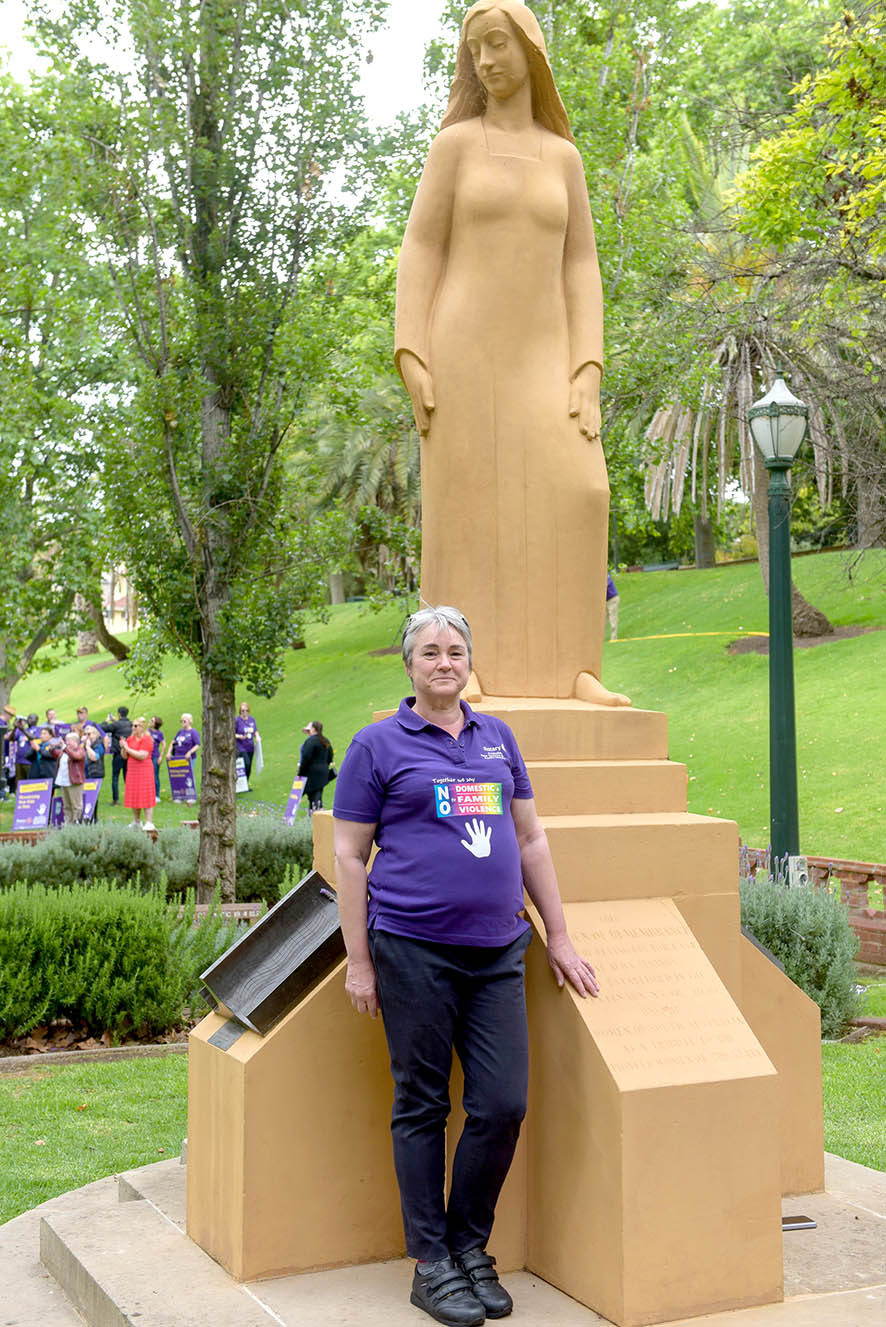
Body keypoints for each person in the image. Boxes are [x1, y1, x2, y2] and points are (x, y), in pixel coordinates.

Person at [333, 606, 598, 1326]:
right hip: (412, 948)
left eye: (455, 651)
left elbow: (531, 839)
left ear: (467, 661)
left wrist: (560, 934)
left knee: (502, 1101)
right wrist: (360, 960)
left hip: (497, 950)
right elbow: (350, 856)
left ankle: (467, 1244)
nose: (444, 662)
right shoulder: (376, 745)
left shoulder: (497, 738)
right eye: (430, 652)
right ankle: (432, 1263)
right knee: (422, 1103)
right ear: (409, 665)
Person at [395, 1, 628, 707]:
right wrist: (411, 349)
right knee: (467, 506)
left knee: (581, 494)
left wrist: (587, 365)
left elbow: (581, 265)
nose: (487, 61)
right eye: (476, 51)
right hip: (461, 349)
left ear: (530, 51)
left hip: (546, 355)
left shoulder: (564, 157)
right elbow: (422, 246)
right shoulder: (455, 147)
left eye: (498, 45)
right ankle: (463, 667)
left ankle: (574, 669)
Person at [121, 716, 156, 829]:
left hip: (144, 770)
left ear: (142, 727)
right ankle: (137, 821)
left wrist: (127, 748)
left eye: (136, 726)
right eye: (132, 725)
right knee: (134, 794)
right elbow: (124, 756)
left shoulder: (147, 739)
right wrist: (123, 747)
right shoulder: (130, 739)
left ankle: (149, 822)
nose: (133, 728)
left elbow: (142, 755)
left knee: (145, 794)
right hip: (132, 771)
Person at [298, 720, 334, 812]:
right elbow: (330, 756)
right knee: (317, 796)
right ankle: (318, 815)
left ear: (313, 729)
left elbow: (305, 758)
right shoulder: (325, 740)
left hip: (311, 774)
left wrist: (300, 773)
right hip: (323, 773)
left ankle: (316, 818)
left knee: (313, 798)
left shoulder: (310, 741)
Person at [54, 729, 87, 823]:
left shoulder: (80, 750)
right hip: (64, 781)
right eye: (66, 740)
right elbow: (56, 754)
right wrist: (52, 748)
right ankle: (68, 824)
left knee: (76, 805)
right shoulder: (64, 750)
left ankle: (77, 823)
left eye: (69, 740)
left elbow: (75, 756)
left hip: (74, 782)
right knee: (67, 805)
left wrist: (64, 747)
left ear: (75, 741)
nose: (66, 742)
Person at [105, 705, 133, 804]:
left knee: (115, 776)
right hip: (128, 753)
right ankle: (130, 797)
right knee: (127, 776)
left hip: (118, 753)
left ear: (119, 714)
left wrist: (107, 720)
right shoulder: (131, 724)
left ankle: (115, 799)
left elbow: (103, 728)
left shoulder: (116, 724)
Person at [170, 713, 201, 804]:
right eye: (181, 721)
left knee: (189, 776)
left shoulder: (193, 732)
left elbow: (197, 745)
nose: (182, 722)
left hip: (188, 758)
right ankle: (180, 795)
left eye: (184, 721)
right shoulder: (180, 732)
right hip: (178, 758)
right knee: (179, 776)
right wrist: (169, 752)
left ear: (190, 721)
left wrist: (190, 752)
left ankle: (191, 796)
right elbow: (173, 742)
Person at [235, 701, 259, 789]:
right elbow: (232, 733)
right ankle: (240, 783)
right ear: (240, 711)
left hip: (250, 745)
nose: (244, 712)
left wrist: (257, 736)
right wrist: (240, 736)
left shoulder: (251, 719)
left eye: (246, 710)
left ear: (248, 710)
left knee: (249, 765)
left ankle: (245, 784)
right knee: (247, 763)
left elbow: (255, 730)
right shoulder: (237, 720)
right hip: (241, 746)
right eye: (242, 711)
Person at [148, 716, 166, 797]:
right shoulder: (147, 731)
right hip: (146, 756)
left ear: (155, 724)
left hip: (155, 756)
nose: (150, 721)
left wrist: (161, 757)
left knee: (155, 775)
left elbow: (164, 745)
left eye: (152, 721)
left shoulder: (159, 733)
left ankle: (157, 795)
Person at [606, 571, 619, 642]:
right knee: (602, 621)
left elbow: (606, 584)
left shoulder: (605, 574)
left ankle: (613, 639)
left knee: (613, 620)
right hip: (604, 601)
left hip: (612, 599)